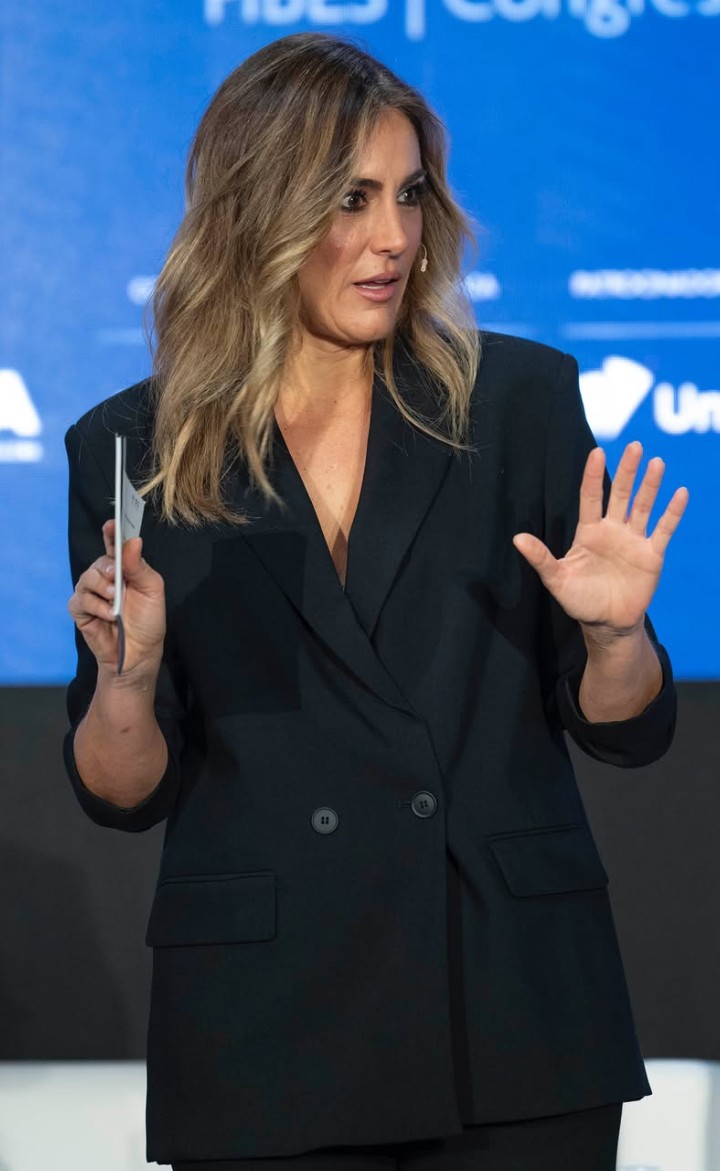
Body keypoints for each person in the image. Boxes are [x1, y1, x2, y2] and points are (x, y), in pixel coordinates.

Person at [64, 32, 688, 1171]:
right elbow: (121, 788)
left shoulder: (520, 401)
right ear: (258, 210)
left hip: (507, 1007)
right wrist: (128, 682)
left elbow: (627, 726)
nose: (394, 236)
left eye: (409, 194)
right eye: (351, 198)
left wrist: (614, 638)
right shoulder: (138, 445)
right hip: (266, 1025)